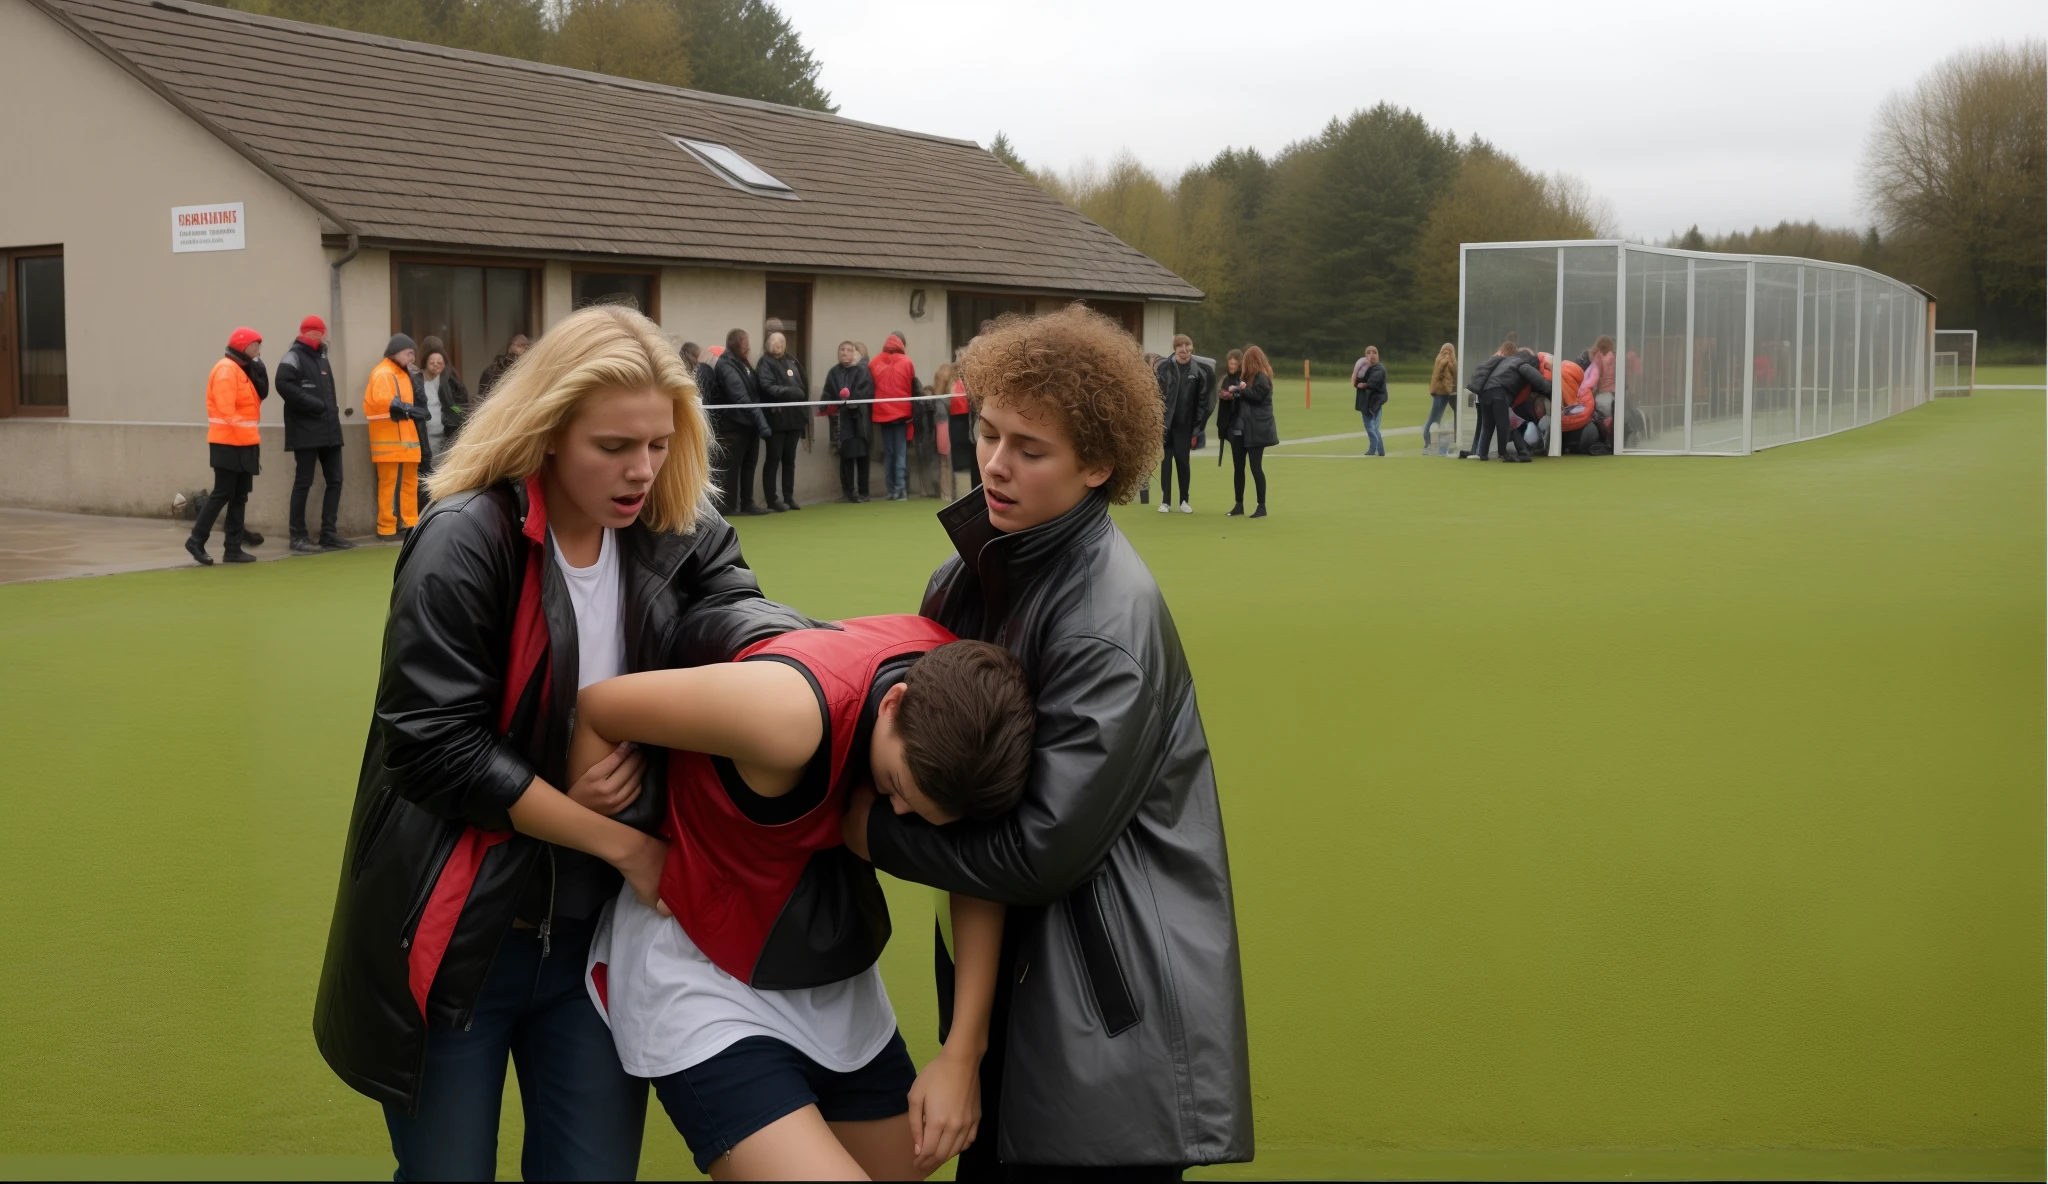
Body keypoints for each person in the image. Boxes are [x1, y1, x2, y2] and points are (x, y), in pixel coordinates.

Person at [313, 304, 809, 1182]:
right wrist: (622, 841)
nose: (642, 471)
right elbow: (429, 745)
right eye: (613, 447)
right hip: (464, 935)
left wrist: (816, 667)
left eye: (657, 444)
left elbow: (741, 620)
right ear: (546, 432)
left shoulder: (675, 526)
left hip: (594, 939)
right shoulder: (468, 537)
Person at [843, 304, 1255, 1181]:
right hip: (1022, 1000)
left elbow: (1036, 852)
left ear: (1098, 464)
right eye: (988, 431)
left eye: (1030, 449)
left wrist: (861, 829)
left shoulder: (1108, 623)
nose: (994, 463)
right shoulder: (972, 572)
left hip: (1106, 1022)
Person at [554, 622, 1035, 1179]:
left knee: (908, 1164)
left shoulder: (966, 693)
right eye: (898, 787)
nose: (899, 818)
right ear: (894, 704)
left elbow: (963, 866)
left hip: (818, 963)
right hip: (701, 971)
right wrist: (629, 851)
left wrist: (962, 1056)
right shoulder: (788, 718)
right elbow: (596, 709)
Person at [185, 326, 269, 566]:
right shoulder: (226, 370)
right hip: (227, 442)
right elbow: (225, 408)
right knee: (222, 494)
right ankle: (196, 540)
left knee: (239, 496)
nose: (259, 350)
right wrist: (241, 430)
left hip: (246, 442)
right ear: (244, 345)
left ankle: (233, 548)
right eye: (256, 344)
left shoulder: (243, 370)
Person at [275, 315, 352, 553]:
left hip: (329, 430)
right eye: (322, 332)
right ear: (314, 333)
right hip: (306, 431)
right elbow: (282, 384)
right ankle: (297, 536)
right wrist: (313, 405)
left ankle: (328, 533)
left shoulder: (322, 356)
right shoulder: (294, 356)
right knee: (303, 483)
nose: (325, 336)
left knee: (336, 481)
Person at [364, 334, 426, 538]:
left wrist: (411, 409)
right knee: (389, 484)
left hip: (405, 438)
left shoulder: (400, 373)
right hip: (389, 438)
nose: (412, 359)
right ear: (396, 352)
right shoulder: (383, 373)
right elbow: (382, 399)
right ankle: (386, 527)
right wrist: (407, 408)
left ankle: (409, 523)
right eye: (409, 353)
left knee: (408, 482)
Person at [710, 330, 772, 516]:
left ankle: (748, 503)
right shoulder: (726, 364)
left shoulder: (743, 364)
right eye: (745, 344)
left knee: (749, 465)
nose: (748, 348)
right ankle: (728, 506)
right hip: (735, 425)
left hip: (750, 424)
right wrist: (763, 424)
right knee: (733, 466)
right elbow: (741, 397)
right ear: (736, 344)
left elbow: (754, 391)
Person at [1154, 334, 1210, 513]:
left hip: (1185, 425)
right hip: (1166, 423)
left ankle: (1184, 500)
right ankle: (1165, 501)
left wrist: (1197, 427)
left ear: (1191, 350)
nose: (1185, 354)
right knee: (1166, 461)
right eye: (1181, 351)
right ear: (1175, 350)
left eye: (1187, 350)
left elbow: (1202, 401)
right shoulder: (1164, 368)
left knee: (1183, 461)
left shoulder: (1198, 371)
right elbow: (1157, 395)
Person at [755, 331, 809, 512]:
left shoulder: (791, 361)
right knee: (773, 459)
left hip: (794, 419)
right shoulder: (765, 363)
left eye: (781, 343)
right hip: (776, 420)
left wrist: (794, 391)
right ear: (768, 345)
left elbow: (802, 387)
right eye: (775, 343)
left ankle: (789, 496)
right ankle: (772, 499)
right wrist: (790, 392)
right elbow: (767, 386)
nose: (778, 346)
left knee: (789, 460)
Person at [1228, 345, 1279, 518]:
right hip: (1242, 427)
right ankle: (1239, 504)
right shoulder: (1247, 377)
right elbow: (1244, 398)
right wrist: (1234, 394)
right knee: (1238, 467)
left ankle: (1261, 506)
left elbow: (1256, 396)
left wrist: (1240, 390)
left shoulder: (1262, 377)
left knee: (1256, 468)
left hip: (1257, 429)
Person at [868, 333, 918, 501]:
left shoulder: (874, 362)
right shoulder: (907, 362)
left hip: (881, 413)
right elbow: (911, 384)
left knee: (888, 453)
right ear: (902, 344)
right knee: (900, 453)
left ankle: (891, 490)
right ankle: (901, 489)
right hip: (901, 413)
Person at [823, 340, 873, 503]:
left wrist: (851, 399)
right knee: (846, 457)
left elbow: (867, 392)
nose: (844, 353)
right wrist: (827, 405)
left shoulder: (862, 371)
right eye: (842, 350)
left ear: (854, 353)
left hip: (859, 419)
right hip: (841, 421)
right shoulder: (833, 372)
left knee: (862, 456)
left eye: (848, 350)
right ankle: (848, 492)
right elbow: (827, 393)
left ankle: (864, 492)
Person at [415, 337, 470, 465]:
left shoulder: (449, 377)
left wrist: (455, 414)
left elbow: (460, 405)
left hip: (445, 433)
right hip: (428, 435)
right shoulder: (417, 379)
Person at [936, 357, 977, 500]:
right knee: (956, 462)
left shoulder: (969, 382)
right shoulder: (954, 384)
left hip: (966, 425)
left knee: (964, 462)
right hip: (956, 424)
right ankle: (958, 495)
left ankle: (966, 495)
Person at [1212, 349, 1245, 470]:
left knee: (1239, 458)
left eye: (1234, 364)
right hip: (1226, 420)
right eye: (1230, 364)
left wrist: (1236, 391)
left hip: (1239, 421)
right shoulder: (1224, 378)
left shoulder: (1243, 378)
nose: (1231, 366)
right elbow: (1220, 392)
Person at [1352, 346, 1388, 456]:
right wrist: (1356, 370)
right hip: (1365, 402)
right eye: (1368, 352)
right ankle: (1373, 449)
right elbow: (1356, 383)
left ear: (1378, 355)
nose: (1371, 354)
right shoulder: (1363, 370)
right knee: (1368, 427)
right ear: (1365, 355)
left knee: (1374, 427)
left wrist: (1365, 384)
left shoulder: (1379, 369)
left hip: (1376, 402)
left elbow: (1372, 383)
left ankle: (1380, 450)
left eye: (1374, 352)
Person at [475, 333, 529, 403]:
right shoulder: (491, 372)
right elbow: (483, 401)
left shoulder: (529, 371)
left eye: (527, 347)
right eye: (521, 345)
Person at [1422, 344, 1456, 450]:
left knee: (1436, 417)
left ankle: (1431, 440)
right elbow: (1451, 373)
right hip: (1441, 392)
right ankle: (1428, 440)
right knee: (1434, 417)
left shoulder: (1439, 358)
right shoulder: (1445, 360)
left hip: (1440, 392)